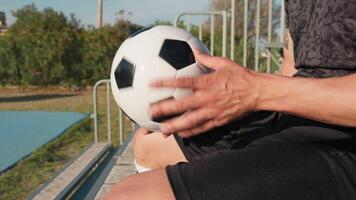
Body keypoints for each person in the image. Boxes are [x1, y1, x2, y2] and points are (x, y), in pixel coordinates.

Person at [104, 0, 356, 199]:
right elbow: (292, 71)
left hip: (344, 140)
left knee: (130, 196)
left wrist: (256, 91)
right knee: (150, 147)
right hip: (305, 121)